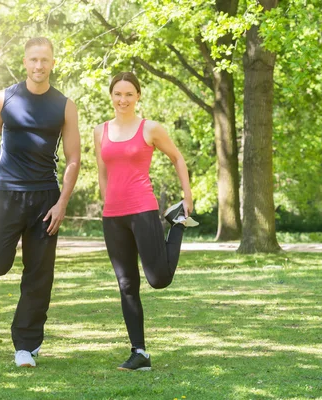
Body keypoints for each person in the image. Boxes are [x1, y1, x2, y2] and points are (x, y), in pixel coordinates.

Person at [0, 37, 81, 368]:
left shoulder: (65, 106)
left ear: (53, 63)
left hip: (45, 199)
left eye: (45, 60)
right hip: (7, 195)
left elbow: (73, 159)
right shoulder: (3, 98)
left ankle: (26, 344)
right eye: (34, 59)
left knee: (39, 275)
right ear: (25, 61)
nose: (39, 65)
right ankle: (26, 340)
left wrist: (62, 203)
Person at [93, 71, 198, 371]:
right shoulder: (100, 131)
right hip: (113, 217)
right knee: (127, 285)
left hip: (142, 210)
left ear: (138, 96)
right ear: (111, 96)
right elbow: (102, 169)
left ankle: (176, 223)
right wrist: (105, 201)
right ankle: (139, 352)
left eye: (129, 94)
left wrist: (187, 197)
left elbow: (177, 157)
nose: (123, 99)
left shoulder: (150, 128)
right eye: (118, 94)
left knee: (158, 280)